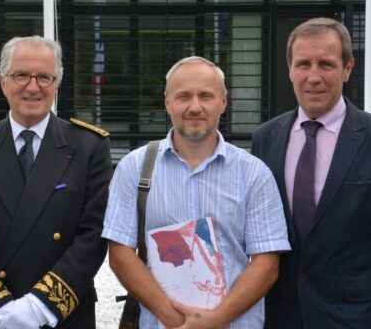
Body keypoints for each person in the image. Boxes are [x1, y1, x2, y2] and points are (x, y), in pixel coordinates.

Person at [251, 17, 371, 328]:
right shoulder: (266, 138)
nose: (313, 76)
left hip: (356, 319)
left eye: (326, 64)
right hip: (279, 317)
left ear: (347, 69)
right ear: (289, 70)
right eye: (303, 64)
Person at [103, 56, 290, 329]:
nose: (194, 107)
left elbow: (267, 263)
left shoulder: (254, 174)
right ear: (167, 103)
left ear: (223, 103)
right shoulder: (134, 168)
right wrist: (171, 317)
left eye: (206, 96)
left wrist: (216, 320)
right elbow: (120, 253)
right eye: (183, 97)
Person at [0, 36, 113, 329]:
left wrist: (39, 307)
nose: (33, 87)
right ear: (3, 81)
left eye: (44, 77)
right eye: (21, 75)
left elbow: (94, 233)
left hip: (64, 315)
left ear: (57, 82)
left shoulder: (89, 147)